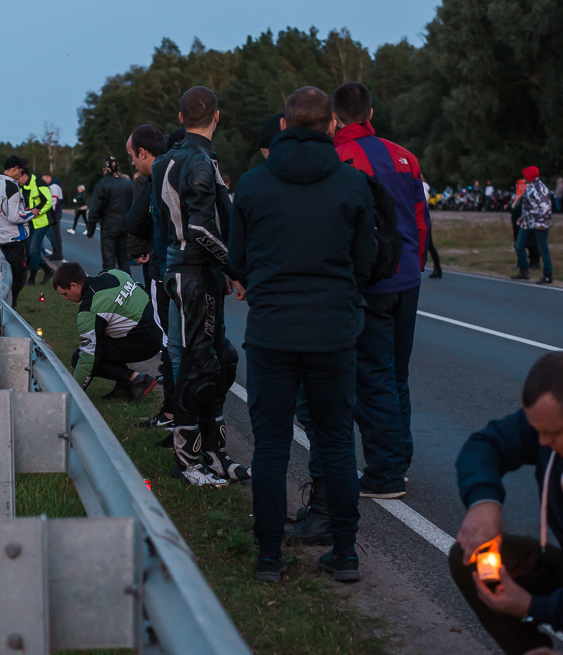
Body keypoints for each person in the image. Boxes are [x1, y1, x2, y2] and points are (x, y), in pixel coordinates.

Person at [230, 86, 374, 582]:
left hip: (272, 329)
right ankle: (346, 551)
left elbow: (238, 261)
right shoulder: (352, 185)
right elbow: (366, 263)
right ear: (332, 126)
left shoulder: (251, 185)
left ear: (285, 127)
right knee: (336, 441)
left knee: (270, 444)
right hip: (332, 331)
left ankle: (270, 555)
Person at [449, 352, 563, 655]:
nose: (540, 442)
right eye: (537, 430)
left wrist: (533, 606)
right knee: (473, 558)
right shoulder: (548, 426)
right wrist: (483, 502)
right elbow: (485, 444)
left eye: (552, 433)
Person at [333, 81, 427, 499]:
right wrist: (415, 267)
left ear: (335, 117)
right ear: (370, 114)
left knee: (373, 377)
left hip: (370, 281)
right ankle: (398, 459)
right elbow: (422, 222)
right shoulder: (405, 157)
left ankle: (385, 471)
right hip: (407, 278)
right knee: (396, 373)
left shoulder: (338, 159)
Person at [151, 86, 247, 488]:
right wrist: (237, 267)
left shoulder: (168, 162)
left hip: (190, 272)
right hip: (192, 274)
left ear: (179, 118)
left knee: (219, 358)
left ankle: (213, 450)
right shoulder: (198, 162)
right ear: (217, 117)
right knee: (199, 363)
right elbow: (200, 230)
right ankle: (188, 461)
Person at [124, 124, 175, 431]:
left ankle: (171, 413)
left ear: (143, 152)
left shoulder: (156, 177)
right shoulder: (194, 168)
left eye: (133, 156)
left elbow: (134, 222)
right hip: (194, 273)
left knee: (169, 340)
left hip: (163, 269)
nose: (132, 163)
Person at [53, 262, 160, 401]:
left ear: (74, 286)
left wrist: (74, 395)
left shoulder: (90, 308)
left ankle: (138, 380)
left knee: (79, 357)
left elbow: (88, 356)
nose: (66, 298)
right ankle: (122, 387)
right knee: (102, 338)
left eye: (65, 294)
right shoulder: (111, 273)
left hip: (146, 342)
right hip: (158, 328)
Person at [0, 156, 34, 308]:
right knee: (18, 277)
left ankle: (8, 306)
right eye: (20, 171)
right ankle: (11, 307)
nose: (21, 174)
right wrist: (32, 213)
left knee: (8, 276)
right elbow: (15, 216)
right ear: (14, 168)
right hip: (16, 238)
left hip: (3, 238)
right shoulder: (11, 186)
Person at [86, 157, 133, 273]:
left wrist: (90, 230)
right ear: (118, 167)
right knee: (124, 259)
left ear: (104, 169)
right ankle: (128, 286)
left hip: (109, 226)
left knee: (109, 260)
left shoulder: (102, 185)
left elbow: (94, 210)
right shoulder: (127, 184)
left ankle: (112, 286)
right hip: (125, 225)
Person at [511, 166, 553, 284]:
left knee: (543, 248)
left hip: (538, 224)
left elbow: (545, 207)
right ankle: (524, 271)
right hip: (528, 223)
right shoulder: (530, 187)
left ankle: (548, 274)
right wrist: (522, 217)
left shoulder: (540, 188)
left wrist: (542, 223)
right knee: (519, 245)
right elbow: (530, 206)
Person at [20, 168, 54, 286]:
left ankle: (32, 279)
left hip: (41, 222)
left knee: (33, 249)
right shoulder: (22, 186)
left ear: (24, 175)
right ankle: (48, 270)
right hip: (29, 222)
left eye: (19, 178)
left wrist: (36, 211)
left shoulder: (39, 183)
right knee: (30, 250)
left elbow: (48, 202)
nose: (18, 181)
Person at [421, 174, 442, 278]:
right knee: (430, 245)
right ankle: (437, 268)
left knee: (429, 245)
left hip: (422, 217)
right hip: (426, 217)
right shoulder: (425, 186)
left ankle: (437, 268)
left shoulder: (421, 187)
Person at [42, 173, 64, 261]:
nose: (43, 181)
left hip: (55, 213)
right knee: (54, 234)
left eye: (44, 179)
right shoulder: (55, 186)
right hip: (56, 213)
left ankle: (58, 254)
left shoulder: (53, 187)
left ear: (48, 177)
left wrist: (52, 214)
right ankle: (56, 253)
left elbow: (54, 200)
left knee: (56, 234)